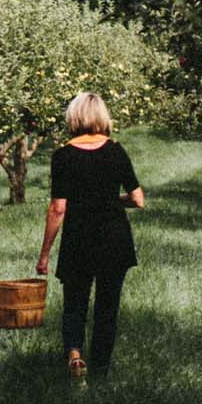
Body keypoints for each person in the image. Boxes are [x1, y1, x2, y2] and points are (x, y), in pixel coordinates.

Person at [34, 92, 143, 379]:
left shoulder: (62, 156)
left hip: (78, 239)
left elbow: (58, 208)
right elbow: (138, 199)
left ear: (74, 117)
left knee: (75, 303)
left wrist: (44, 254)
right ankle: (100, 372)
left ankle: (74, 354)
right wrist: (108, 199)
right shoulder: (116, 151)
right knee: (107, 308)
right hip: (114, 239)